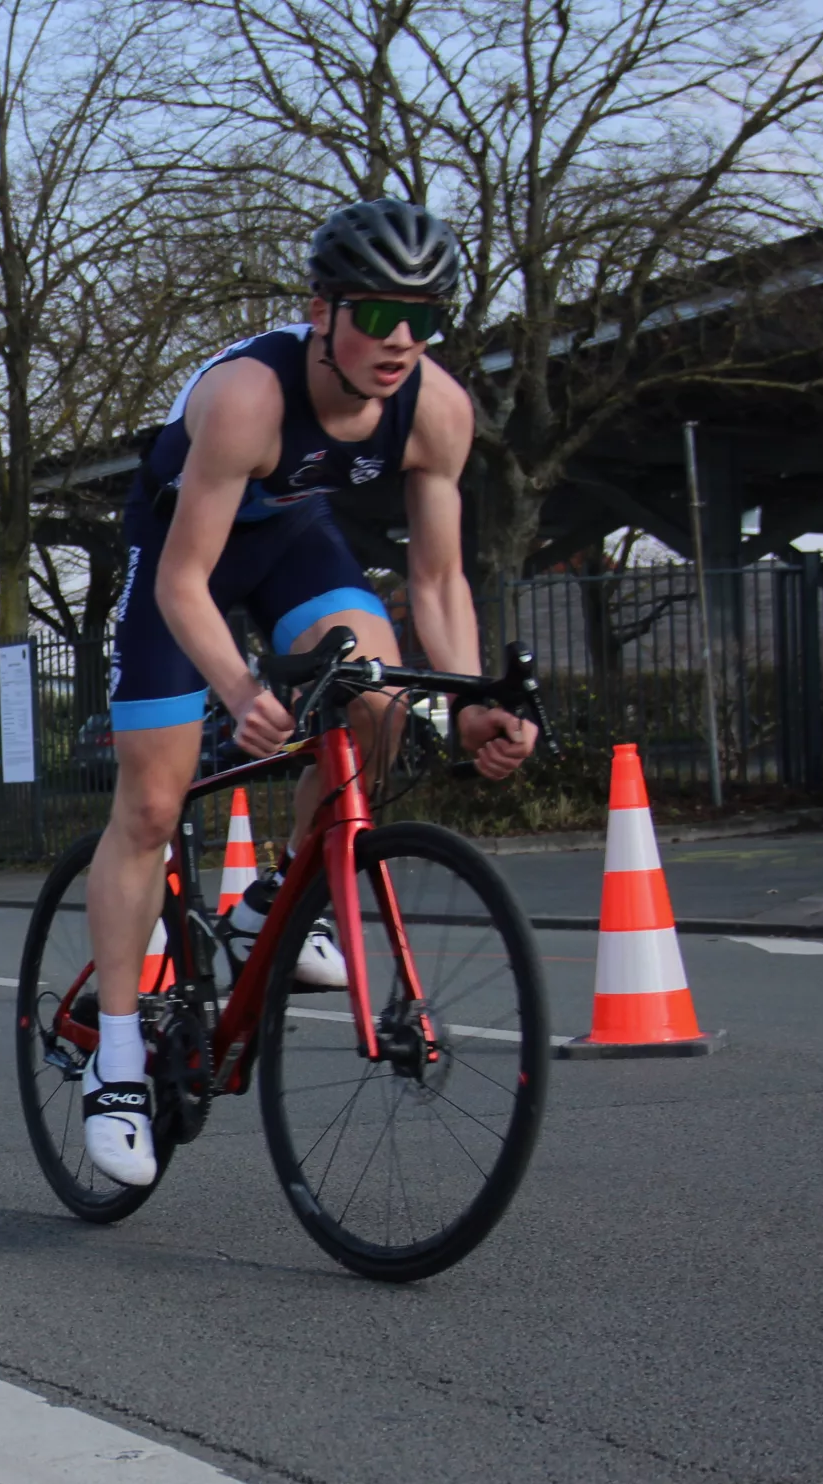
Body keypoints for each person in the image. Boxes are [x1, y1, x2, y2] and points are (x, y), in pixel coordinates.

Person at [80, 200, 539, 1190]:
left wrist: (468, 703)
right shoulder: (249, 396)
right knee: (151, 805)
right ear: (321, 311)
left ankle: (273, 899)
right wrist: (240, 686)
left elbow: (437, 581)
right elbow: (182, 583)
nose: (400, 339)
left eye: (424, 317)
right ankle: (115, 1061)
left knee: (383, 706)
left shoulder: (437, 408)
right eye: (375, 314)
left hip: (291, 540)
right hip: (179, 556)